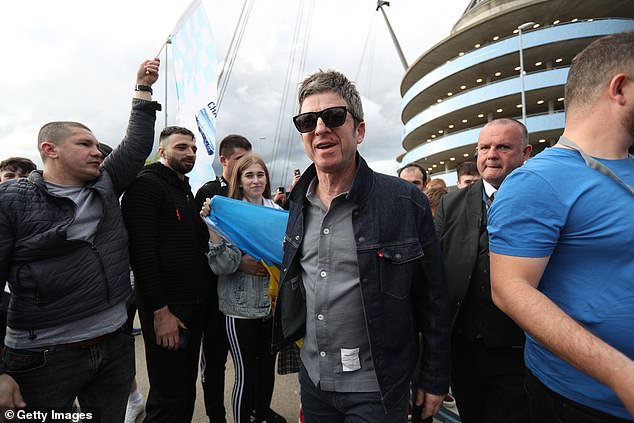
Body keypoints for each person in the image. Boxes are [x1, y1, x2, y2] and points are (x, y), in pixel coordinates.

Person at [272, 69, 450, 423]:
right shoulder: (296, 203)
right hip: (315, 383)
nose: (320, 128)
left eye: (334, 117)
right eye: (308, 121)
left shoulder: (405, 201)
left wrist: (434, 377)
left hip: (378, 389)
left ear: (360, 129)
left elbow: (434, 298)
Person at [0, 58, 160, 421]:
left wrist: (142, 86)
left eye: (97, 145)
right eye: (84, 144)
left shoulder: (106, 182)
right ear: (49, 149)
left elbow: (135, 145)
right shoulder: (11, 200)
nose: (97, 151)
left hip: (114, 347)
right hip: (42, 358)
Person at [489, 31, 634, 422]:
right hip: (585, 404)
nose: (491, 154)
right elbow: (509, 289)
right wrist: (622, 374)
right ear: (619, 88)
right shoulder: (538, 180)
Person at [434, 118, 532, 423]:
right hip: (463, 351)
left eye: (503, 147)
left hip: (519, 353)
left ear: (525, 152)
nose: (492, 154)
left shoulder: (542, 200)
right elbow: (434, 270)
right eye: (485, 147)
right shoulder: (451, 204)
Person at [121, 126, 213, 422]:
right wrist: (160, 314)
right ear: (162, 152)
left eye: (194, 148)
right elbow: (142, 257)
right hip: (167, 311)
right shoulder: (145, 186)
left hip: (193, 306)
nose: (190, 153)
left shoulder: (184, 190)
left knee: (185, 392)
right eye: (182, 147)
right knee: (167, 398)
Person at [202, 154, 286, 423]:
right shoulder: (228, 214)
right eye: (249, 175)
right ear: (238, 180)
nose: (256, 180)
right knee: (247, 374)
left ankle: (260, 416)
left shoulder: (277, 212)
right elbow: (221, 266)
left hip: (272, 307)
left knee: (266, 373)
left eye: (260, 175)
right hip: (240, 309)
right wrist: (215, 230)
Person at [194, 134, 254, 423]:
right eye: (240, 159)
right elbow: (198, 245)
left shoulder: (250, 195)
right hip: (216, 298)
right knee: (215, 363)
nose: (246, 167)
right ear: (224, 160)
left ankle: (256, 410)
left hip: (249, 300)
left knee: (252, 364)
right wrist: (239, 263)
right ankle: (216, 415)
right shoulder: (208, 193)